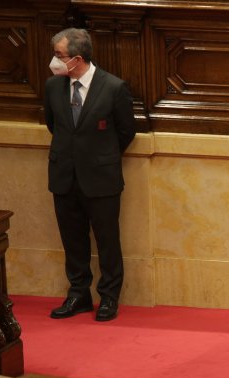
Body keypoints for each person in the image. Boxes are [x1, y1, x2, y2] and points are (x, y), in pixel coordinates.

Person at [44, 28, 136, 321]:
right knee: (73, 240)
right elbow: (53, 125)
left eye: (59, 56)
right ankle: (78, 295)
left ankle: (109, 297)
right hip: (64, 176)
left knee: (107, 240)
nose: (54, 61)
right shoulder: (52, 87)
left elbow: (126, 132)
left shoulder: (113, 87)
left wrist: (99, 158)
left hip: (101, 179)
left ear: (78, 58)